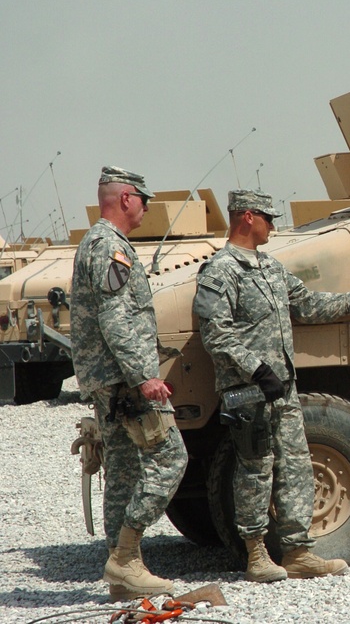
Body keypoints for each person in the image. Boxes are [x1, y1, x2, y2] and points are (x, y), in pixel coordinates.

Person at [193, 189, 350, 583]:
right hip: (250, 391)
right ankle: (256, 556)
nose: (274, 225)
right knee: (255, 470)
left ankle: (299, 552)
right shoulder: (220, 270)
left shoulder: (270, 267)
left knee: (297, 467)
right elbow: (215, 334)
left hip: (281, 389)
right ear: (247, 217)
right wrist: (256, 370)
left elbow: (307, 305)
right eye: (268, 217)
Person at [71, 166, 188, 600]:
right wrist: (145, 378)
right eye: (144, 198)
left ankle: (122, 578)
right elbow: (117, 319)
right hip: (123, 380)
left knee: (121, 472)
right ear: (125, 198)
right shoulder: (109, 248)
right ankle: (124, 558)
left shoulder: (98, 243)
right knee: (171, 457)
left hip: (109, 379)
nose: (146, 207)